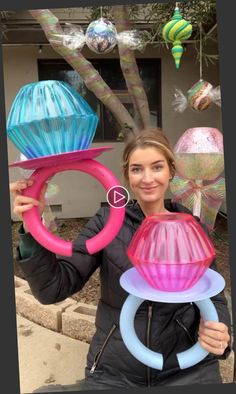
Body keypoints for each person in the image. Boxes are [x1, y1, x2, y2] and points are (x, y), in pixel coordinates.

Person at [10, 128, 231, 391]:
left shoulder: (190, 225)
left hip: (185, 368)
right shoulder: (107, 222)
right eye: (137, 169)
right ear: (126, 175)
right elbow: (53, 288)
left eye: (157, 167)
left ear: (171, 170)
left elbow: (212, 293)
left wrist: (219, 331)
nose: (147, 178)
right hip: (115, 370)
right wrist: (33, 228)